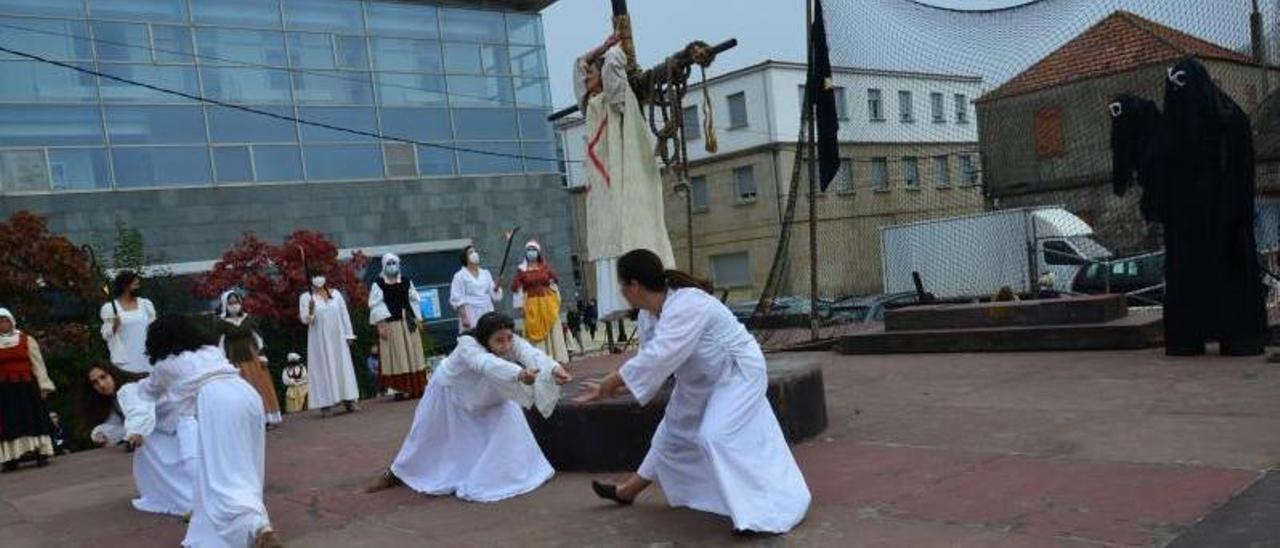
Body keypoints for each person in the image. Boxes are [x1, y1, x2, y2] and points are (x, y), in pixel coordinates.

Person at [578, 250, 810, 535]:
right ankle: (628, 491)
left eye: (622, 285)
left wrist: (610, 382)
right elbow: (652, 359)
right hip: (699, 378)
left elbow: (661, 354)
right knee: (672, 432)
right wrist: (619, 384)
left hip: (737, 372)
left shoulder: (688, 303)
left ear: (634, 285)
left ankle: (762, 512)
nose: (621, 291)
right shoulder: (648, 316)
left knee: (715, 434)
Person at [367, 312, 573, 502]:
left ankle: (514, 472)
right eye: (499, 340)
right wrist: (518, 374)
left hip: (488, 389)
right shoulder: (468, 345)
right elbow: (485, 363)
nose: (506, 344)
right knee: (425, 436)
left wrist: (555, 369)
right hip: (450, 392)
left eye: (509, 338)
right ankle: (398, 471)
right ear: (485, 339)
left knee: (509, 414)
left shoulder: (510, 341)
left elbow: (531, 354)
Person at [1147, 57, 1267, 356]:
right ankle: (1188, 338)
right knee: (1189, 277)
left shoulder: (1229, 119)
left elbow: (1239, 172)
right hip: (1188, 223)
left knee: (1226, 272)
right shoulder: (1174, 127)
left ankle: (1237, 337)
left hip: (1223, 219)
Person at [136, 314, 279, 547]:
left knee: (223, 473)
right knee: (246, 466)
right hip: (247, 395)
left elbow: (147, 391)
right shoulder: (210, 351)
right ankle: (256, 522)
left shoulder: (166, 365)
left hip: (217, 403)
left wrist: (129, 388)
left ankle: (254, 527)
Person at [574, 34, 677, 324]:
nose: (587, 77)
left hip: (622, 177)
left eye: (592, 73)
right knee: (608, 236)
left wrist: (614, 50)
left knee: (627, 230)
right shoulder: (590, 106)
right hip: (602, 186)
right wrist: (602, 48)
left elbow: (614, 65)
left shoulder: (616, 99)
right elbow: (578, 65)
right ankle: (624, 299)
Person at [84, 364, 195, 517]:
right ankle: (186, 501)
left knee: (189, 463)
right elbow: (121, 424)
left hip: (185, 420)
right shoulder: (117, 398)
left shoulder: (129, 389)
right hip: (167, 428)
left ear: (113, 374)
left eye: (103, 377)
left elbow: (140, 412)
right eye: (95, 383)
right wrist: (103, 434)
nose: (101, 385)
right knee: (156, 459)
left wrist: (137, 431)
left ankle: (194, 503)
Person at [0, 307, 56, 473]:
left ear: (11, 321)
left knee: (33, 417)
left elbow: (38, 364)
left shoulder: (26, 339)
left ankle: (41, 452)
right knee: (10, 421)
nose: (3, 324)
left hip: (27, 387)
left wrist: (44, 385)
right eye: (0, 322)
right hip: (4, 390)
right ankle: (11, 457)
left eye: (5, 320)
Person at [217, 290, 283, 427]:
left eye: (236, 302)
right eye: (230, 303)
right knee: (243, 389)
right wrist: (223, 362)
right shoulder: (221, 323)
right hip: (235, 359)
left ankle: (267, 417)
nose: (234, 305)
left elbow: (257, 337)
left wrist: (262, 354)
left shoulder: (248, 319)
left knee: (260, 385)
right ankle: (248, 421)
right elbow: (221, 344)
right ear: (225, 304)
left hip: (253, 357)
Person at [369, 253, 429, 399]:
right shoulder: (379, 283)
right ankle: (400, 389)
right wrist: (381, 324)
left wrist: (418, 319)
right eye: (388, 263)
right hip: (392, 324)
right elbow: (376, 305)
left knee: (414, 354)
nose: (392, 266)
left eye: (394, 263)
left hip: (408, 323)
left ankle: (417, 387)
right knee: (398, 356)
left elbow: (414, 300)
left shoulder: (407, 281)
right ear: (384, 266)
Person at [299, 274, 359, 417]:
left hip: (338, 339)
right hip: (319, 342)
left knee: (342, 367)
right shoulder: (306, 297)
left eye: (320, 275)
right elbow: (305, 319)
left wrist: (349, 334)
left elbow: (344, 315)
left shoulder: (336, 294)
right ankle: (325, 404)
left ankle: (349, 400)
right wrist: (310, 312)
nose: (318, 278)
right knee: (323, 369)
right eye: (315, 275)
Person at [511, 240, 569, 363]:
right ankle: (540, 360)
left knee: (552, 329)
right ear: (525, 253)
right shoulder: (521, 270)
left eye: (534, 249)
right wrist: (520, 307)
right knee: (534, 329)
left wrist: (553, 293)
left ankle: (556, 357)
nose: (531, 252)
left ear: (538, 252)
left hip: (547, 303)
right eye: (529, 250)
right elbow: (516, 288)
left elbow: (554, 280)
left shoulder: (545, 267)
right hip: (532, 304)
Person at [100, 271, 157, 373]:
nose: (138, 287)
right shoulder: (110, 308)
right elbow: (105, 334)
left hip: (147, 357)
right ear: (125, 286)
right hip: (124, 361)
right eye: (135, 285)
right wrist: (115, 326)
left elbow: (155, 328)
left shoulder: (145, 304)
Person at [450, 245, 503, 331]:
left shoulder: (486, 273)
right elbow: (457, 298)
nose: (474, 254)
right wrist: (464, 318)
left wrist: (497, 286)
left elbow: (494, 296)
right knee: (473, 337)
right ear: (465, 257)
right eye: (471, 252)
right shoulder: (459, 276)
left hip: (487, 310)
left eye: (475, 251)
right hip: (470, 312)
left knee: (489, 335)